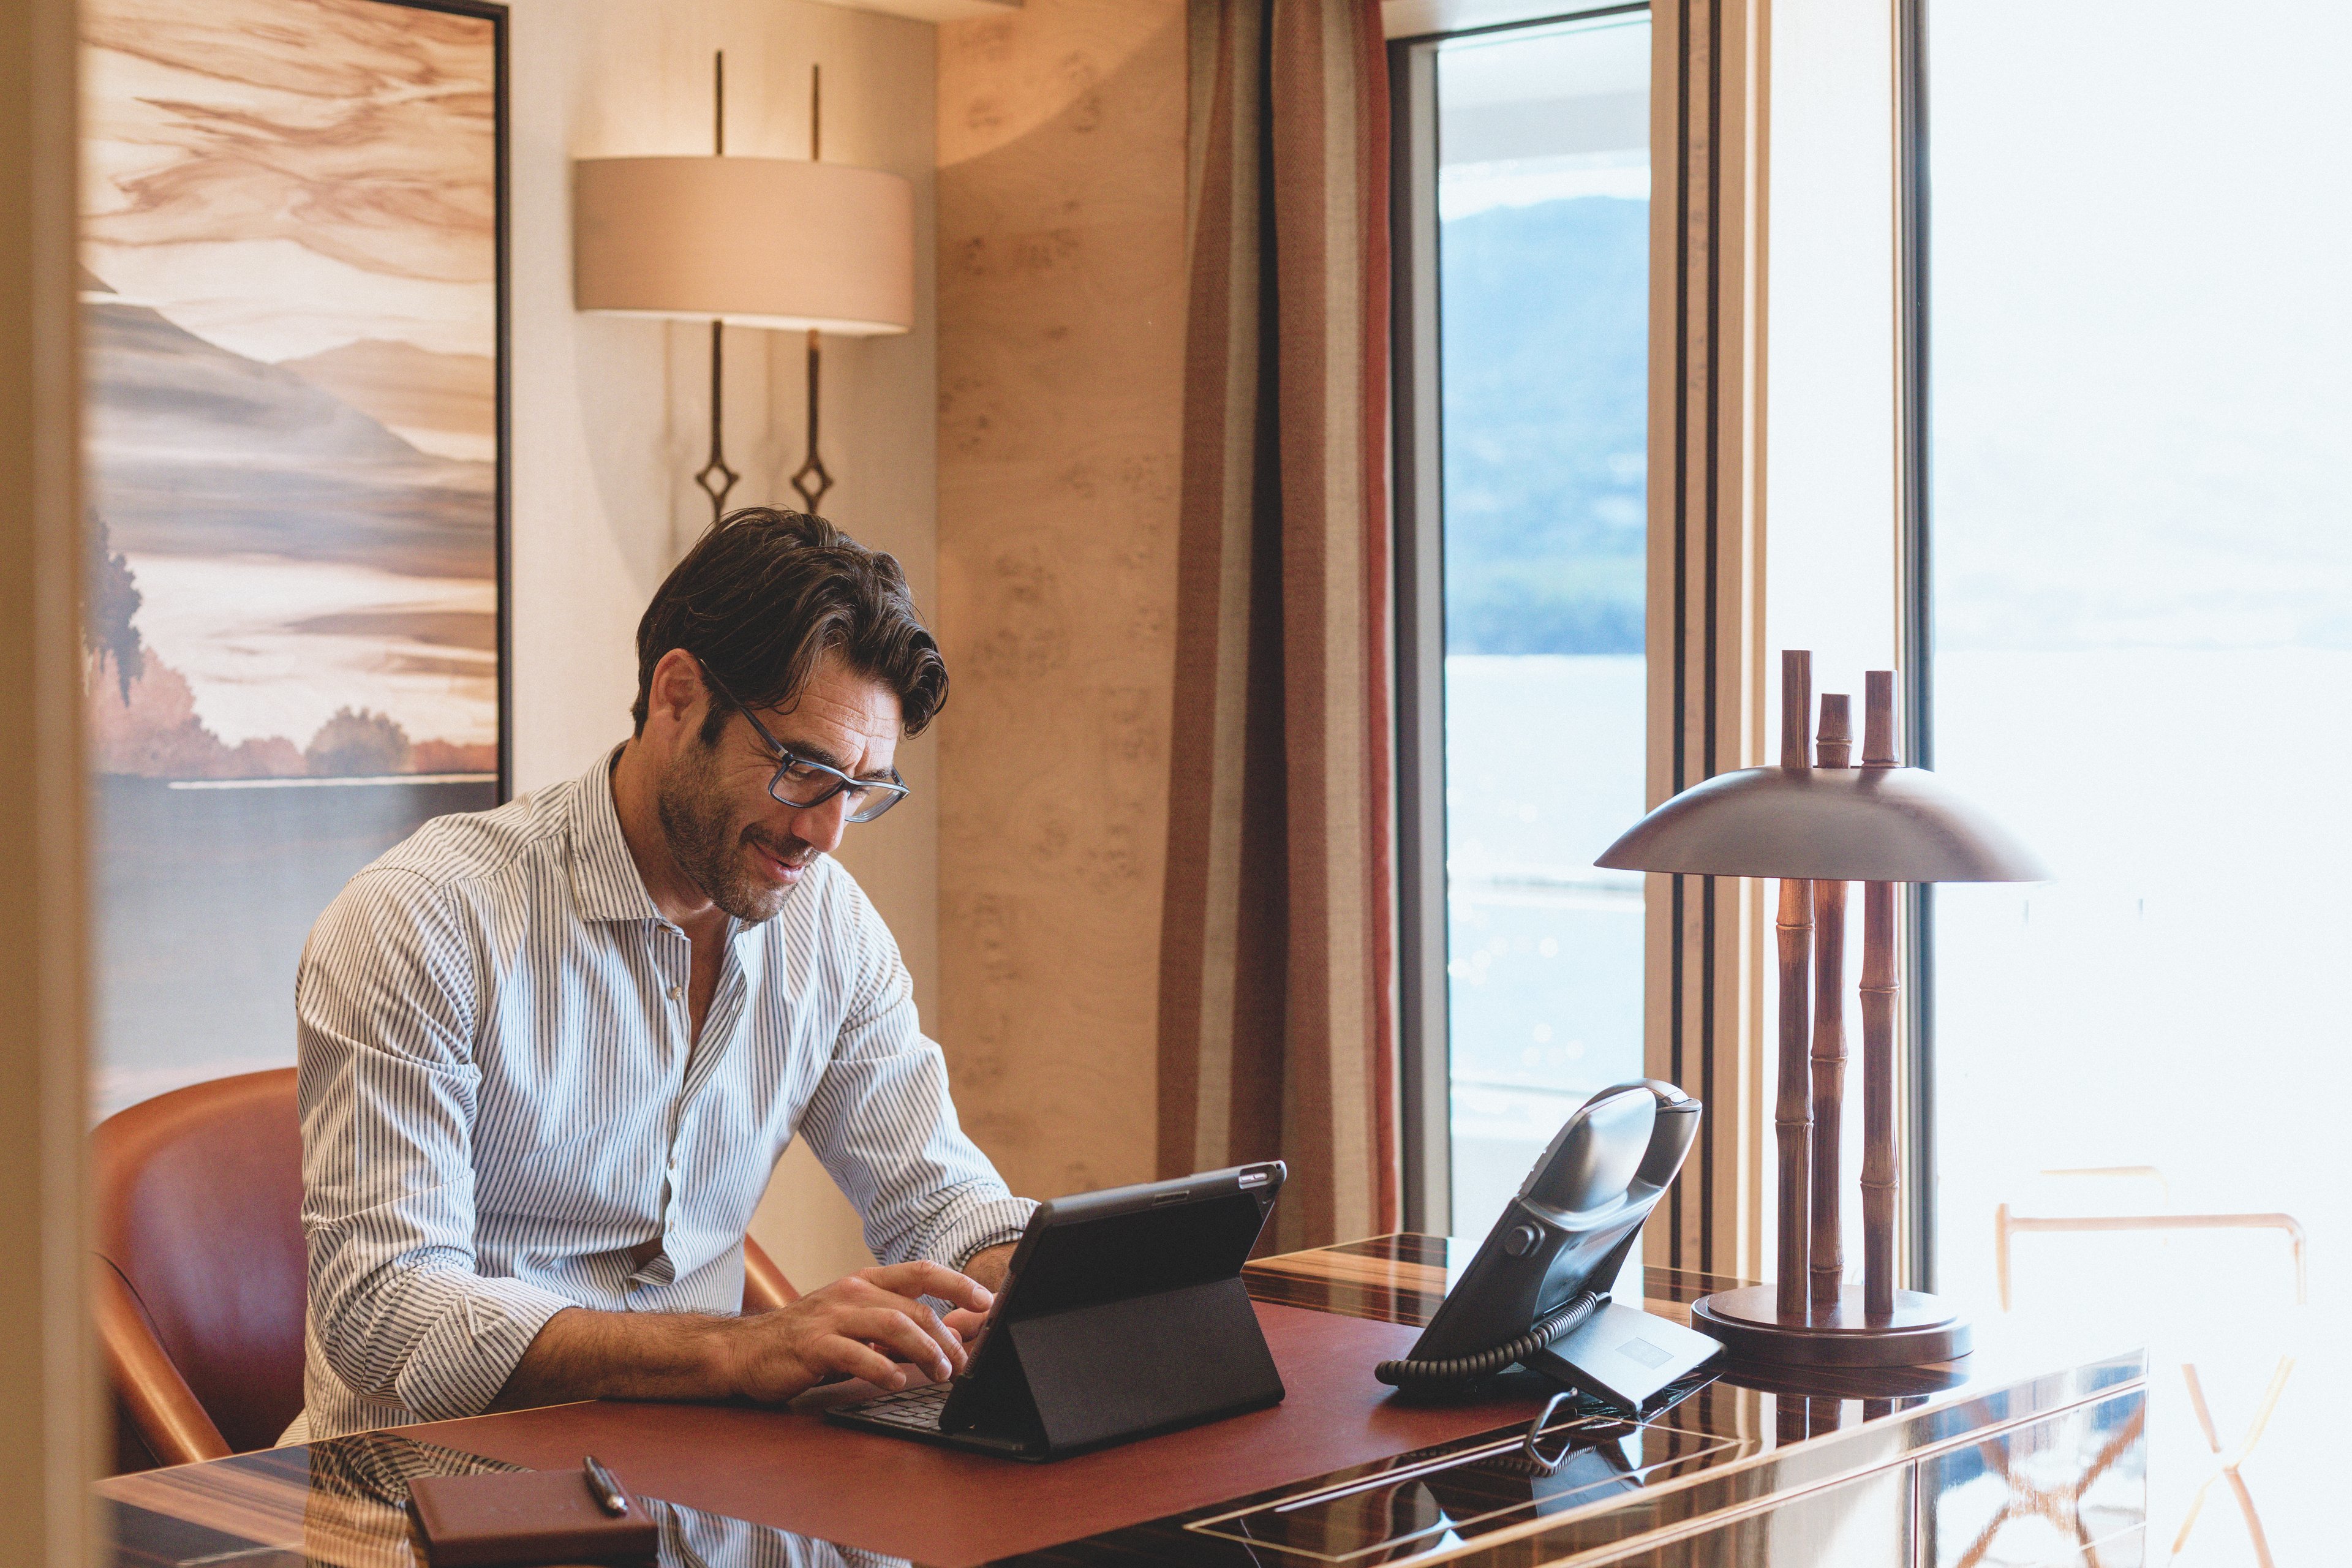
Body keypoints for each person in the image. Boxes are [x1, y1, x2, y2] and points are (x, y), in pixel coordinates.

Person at [284, 509, 1033, 1444]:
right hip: (418, 1483)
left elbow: (939, 1198)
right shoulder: (421, 920)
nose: (825, 832)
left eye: (860, 788)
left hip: (696, 1477)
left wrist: (1025, 1286)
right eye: (801, 768)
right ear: (677, 697)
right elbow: (385, 1308)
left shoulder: (829, 927)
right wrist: (733, 1350)